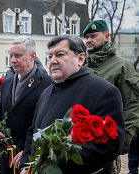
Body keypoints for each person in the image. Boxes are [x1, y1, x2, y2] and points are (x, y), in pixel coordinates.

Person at [19, 35, 125, 174]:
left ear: (80, 59)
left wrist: (52, 166)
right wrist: (27, 164)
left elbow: (109, 146)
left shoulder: (104, 91)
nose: (53, 61)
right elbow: (32, 132)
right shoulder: (46, 92)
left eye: (60, 55)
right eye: (50, 56)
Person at [83, 20, 139, 173]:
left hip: (106, 141)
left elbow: (132, 105)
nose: (88, 40)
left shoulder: (122, 66)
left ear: (106, 36)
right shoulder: (82, 66)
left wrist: (124, 139)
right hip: (80, 142)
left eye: (93, 36)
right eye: (86, 37)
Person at [0, 36, 52, 173]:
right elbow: (1, 115)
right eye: (11, 55)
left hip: (31, 158)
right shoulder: (7, 82)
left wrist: (29, 151)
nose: (12, 60)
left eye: (17, 55)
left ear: (33, 56)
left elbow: (47, 124)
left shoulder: (47, 83)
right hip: (7, 155)